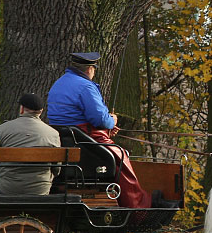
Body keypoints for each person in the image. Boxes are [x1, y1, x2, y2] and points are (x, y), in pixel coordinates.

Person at [47, 52, 154, 208]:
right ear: (90, 69)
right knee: (120, 156)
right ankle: (137, 207)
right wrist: (113, 120)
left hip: (67, 138)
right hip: (84, 138)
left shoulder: (59, 83)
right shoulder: (85, 87)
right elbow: (100, 119)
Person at [0, 93, 61, 195]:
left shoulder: (2, 129)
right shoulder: (53, 133)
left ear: (22, 109)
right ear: (41, 111)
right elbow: (56, 169)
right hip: (40, 189)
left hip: (7, 188)